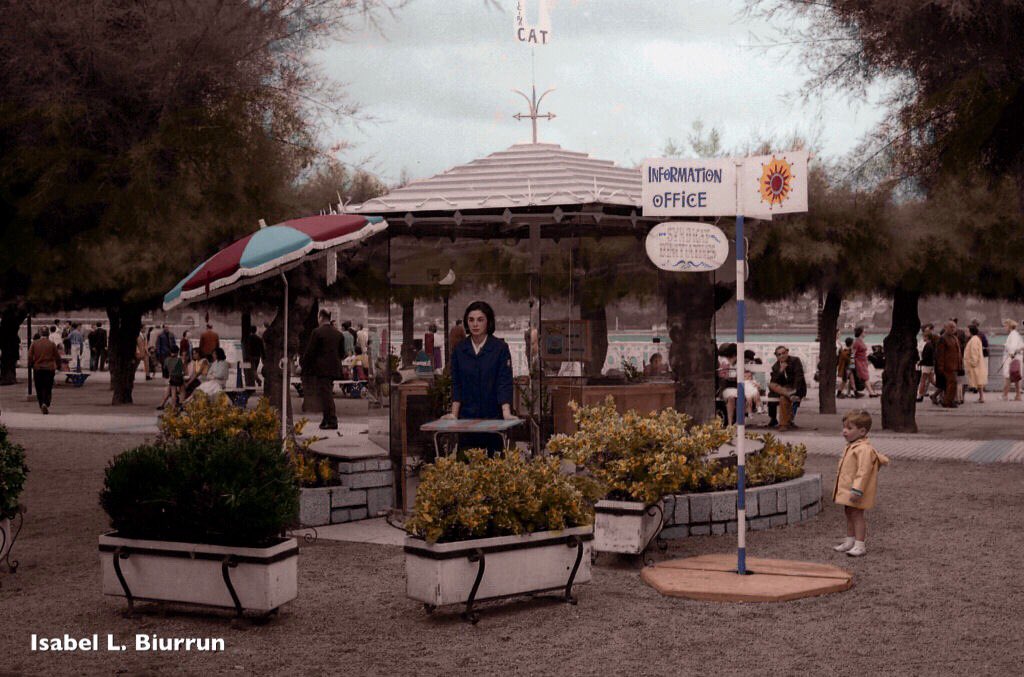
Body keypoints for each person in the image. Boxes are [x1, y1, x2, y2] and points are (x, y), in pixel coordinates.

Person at [443, 301, 516, 454]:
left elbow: (504, 382)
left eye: (480, 320)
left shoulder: (500, 348)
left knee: (494, 471)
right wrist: (454, 414)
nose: (475, 324)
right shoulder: (459, 350)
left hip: (493, 418)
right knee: (465, 468)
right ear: (466, 322)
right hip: (467, 419)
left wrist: (506, 413)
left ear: (488, 322)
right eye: (471, 320)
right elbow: (457, 384)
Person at [831, 410, 889, 558]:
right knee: (849, 513)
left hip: (856, 490)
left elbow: (863, 472)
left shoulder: (863, 449)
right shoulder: (853, 446)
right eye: (844, 427)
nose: (844, 431)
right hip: (848, 489)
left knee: (857, 515)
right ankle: (850, 541)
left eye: (849, 428)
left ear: (862, 431)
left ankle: (859, 544)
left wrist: (857, 490)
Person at [302, 309, 345, 430]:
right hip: (334, 368)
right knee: (326, 392)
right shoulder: (338, 334)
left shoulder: (317, 332)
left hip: (321, 369)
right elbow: (342, 353)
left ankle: (332, 420)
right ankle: (326, 419)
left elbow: (310, 352)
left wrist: (304, 365)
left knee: (326, 395)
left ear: (320, 317)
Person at [769, 346, 807, 431]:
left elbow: (799, 377)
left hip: (794, 387)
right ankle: (789, 395)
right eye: (779, 354)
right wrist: (781, 371)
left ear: (787, 352)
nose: (782, 356)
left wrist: (795, 391)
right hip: (782, 389)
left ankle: (783, 425)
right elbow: (774, 382)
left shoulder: (795, 361)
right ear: (776, 356)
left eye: (783, 353)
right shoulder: (775, 366)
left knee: (783, 398)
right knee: (771, 384)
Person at [28, 332, 60, 414]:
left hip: (38, 368)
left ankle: (41, 403)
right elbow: (57, 356)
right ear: (48, 334)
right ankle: (46, 402)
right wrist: (58, 366)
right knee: (48, 387)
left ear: (40, 334)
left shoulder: (34, 343)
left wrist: (31, 364)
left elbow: (30, 356)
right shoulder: (52, 344)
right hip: (49, 368)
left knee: (39, 387)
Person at [934, 320, 962, 408]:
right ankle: (947, 401)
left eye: (954, 327)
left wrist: (960, 365)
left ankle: (949, 400)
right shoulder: (943, 338)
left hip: (954, 365)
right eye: (951, 327)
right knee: (952, 383)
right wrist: (940, 367)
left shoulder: (954, 338)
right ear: (945, 328)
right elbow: (940, 354)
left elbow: (958, 352)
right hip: (947, 366)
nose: (953, 329)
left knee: (952, 384)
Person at [963, 324, 988, 403]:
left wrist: (972, 362)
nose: (966, 332)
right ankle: (981, 397)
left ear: (971, 331)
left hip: (973, 365)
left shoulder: (973, 340)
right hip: (977, 364)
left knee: (967, 381)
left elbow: (974, 352)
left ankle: (961, 397)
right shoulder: (976, 339)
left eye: (967, 331)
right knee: (979, 382)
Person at [1001, 319, 1024, 401]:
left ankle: (1005, 395)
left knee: (1007, 376)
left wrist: (1011, 353)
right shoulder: (1015, 334)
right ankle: (1018, 395)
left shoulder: (1013, 335)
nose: (1004, 328)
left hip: (1012, 358)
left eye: (1005, 326)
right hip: (1017, 358)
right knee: (1016, 376)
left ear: (1009, 326)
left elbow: (1013, 347)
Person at [852, 326, 877, 397]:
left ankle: (870, 392)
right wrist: (851, 365)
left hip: (863, 361)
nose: (865, 333)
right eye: (864, 332)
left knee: (865, 377)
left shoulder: (860, 341)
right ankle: (871, 392)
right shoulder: (856, 342)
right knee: (865, 377)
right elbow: (852, 354)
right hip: (859, 362)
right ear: (860, 333)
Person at [158, 345, 185, 410]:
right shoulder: (179, 360)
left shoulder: (167, 360)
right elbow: (182, 369)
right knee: (182, 391)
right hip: (179, 377)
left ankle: (171, 406)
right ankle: (180, 404)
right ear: (177, 352)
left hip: (172, 377)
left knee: (172, 392)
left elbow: (165, 368)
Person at [916, 324, 937, 402]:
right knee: (931, 380)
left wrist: (920, 362)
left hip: (926, 365)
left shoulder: (928, 346)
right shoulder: (932, 345)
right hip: (931, 365)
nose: (923, 338)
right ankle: (941, 389)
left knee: (923, 380)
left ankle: (920, 395)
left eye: (924, 337)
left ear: (927, 337)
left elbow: (926, 357)